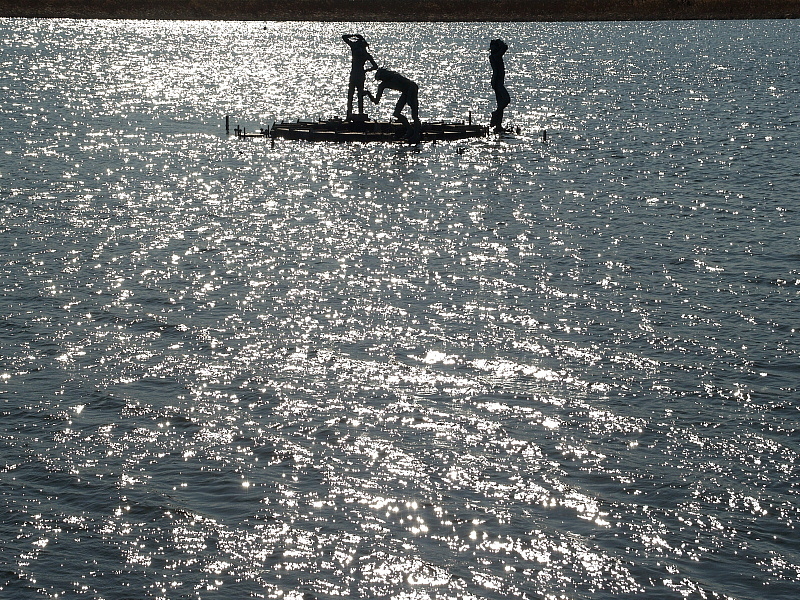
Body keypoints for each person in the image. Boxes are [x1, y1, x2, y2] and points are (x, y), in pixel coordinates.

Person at [368, 68, 421, 143]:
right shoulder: (382, 85)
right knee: (396, 113)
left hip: (412, 89)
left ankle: (416, 135)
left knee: (414, 115)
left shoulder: (395, 76)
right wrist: (369, 94)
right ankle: (409, 129)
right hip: (405, 92)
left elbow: (409, 85)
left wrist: (409, 99)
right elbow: (376, 101)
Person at [342, 34, 378, 120]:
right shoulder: (366, 54)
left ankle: (349, 114)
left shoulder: (354, 48)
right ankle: (360, 113)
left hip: (354, 74)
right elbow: (375, 66)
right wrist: (366, 70)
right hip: (361, 75)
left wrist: (352, 36)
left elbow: (344, 37)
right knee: (360, 95)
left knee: (351, 95)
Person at [489, 39, 510, 133]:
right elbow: (505, 48)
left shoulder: (497, 55)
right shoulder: (494, 56)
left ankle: (498, 125)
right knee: (506, 99)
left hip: (500, 81)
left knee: (500, 103)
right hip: (497, 82)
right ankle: (496, 113)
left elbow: (504, 48)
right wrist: (500, 43)